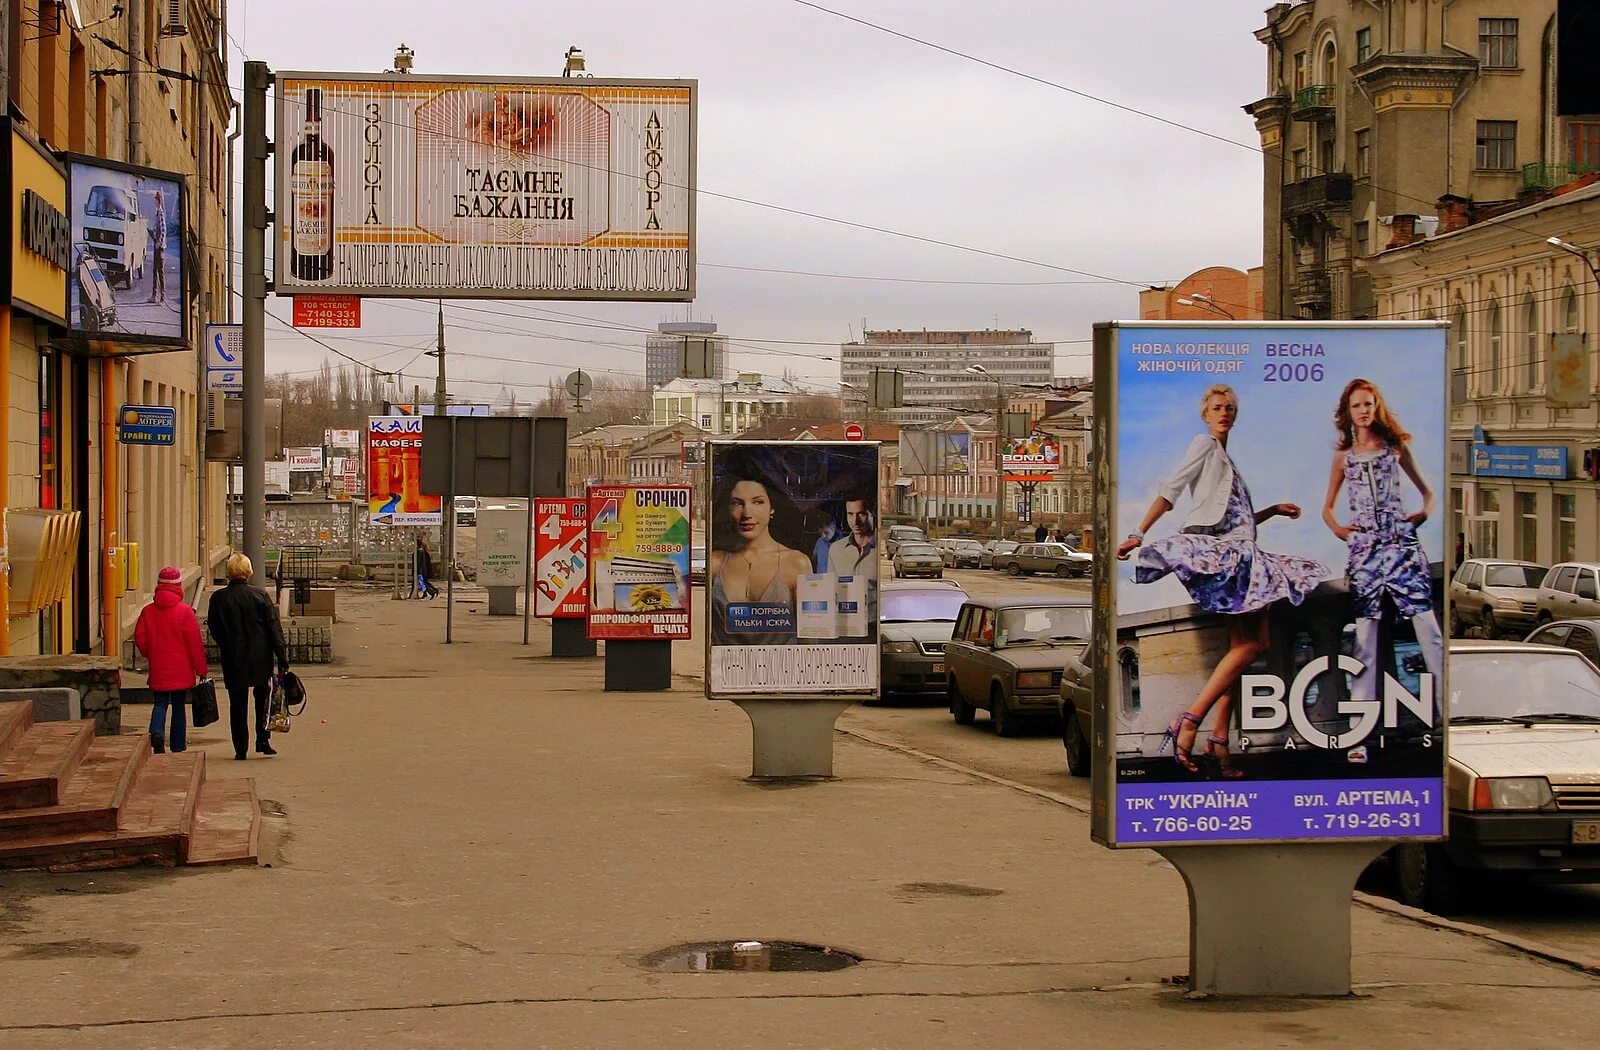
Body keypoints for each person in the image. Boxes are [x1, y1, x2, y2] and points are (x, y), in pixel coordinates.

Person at [1116, 384, 1327, 777]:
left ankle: (1218, 745)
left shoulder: (1224, 458)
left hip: (1239, 552)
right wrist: (1139, 533)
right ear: (1205, 414)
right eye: (1217, 407)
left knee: (1239, 648)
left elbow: (1235, 521)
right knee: (1256, 643)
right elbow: (1171, 488)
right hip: (1232, 558)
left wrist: (1271, 511)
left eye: (1229, 407)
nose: (1224, 412)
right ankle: (1191, 719)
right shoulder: (1204, 444)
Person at [1322, 378, 1443, 712]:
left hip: (1402, 547)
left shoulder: (1395, 447)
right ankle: (1359, 729)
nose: (1363, 410)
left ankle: (1446, 713)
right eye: (1357, 405)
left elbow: (1428, 492)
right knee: (1365, 639)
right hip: (1365, 554)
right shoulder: (1344, 458)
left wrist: (1418, 518)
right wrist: (1344, 533)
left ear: (1377, 407)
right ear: (1347, 412)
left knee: (1429, 630)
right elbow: (1327, 509)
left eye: (1368, 404)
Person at [708, 475, 812, 646]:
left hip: (783, 669)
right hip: (728, 669)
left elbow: (809, 640)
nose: (747, 513)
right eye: (737, 503)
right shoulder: (716, 562)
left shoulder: (797, 563)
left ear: (772, 508)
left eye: (758, 502)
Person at [206, 553, 289, 760]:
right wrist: (282, 659)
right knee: (263, 699)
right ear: (248, 571)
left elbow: (214, 629)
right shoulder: (260, 596)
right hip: (260, 657)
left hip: (233, 657)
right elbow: (274, 629)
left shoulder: (218, 598)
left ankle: (240, 748)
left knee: (237, 704)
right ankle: (263, 740)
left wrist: (226, 643)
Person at [133, 566, 207, 755]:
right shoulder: (185, 612)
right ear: (179, 586)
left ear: (159, 586)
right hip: (181, 670)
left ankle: (156, 732)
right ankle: (177, 744)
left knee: (160, 703)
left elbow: (140, 638)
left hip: (159, 667)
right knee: (179, 706)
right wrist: (201, 670)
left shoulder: (147, 611)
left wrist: (152, 653)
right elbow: (194, 644)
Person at [826, 493, 876, 579]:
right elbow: (831, 588)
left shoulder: (879, 549)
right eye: (850, 514)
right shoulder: (836, 549)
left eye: (861, 514)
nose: (855, 521)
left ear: (872, 514)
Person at [147, 188, 166, 304]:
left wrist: (159, 242)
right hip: (156, 246)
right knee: (156, 271)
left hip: (159, 248)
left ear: (158, 201)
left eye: (155, 201)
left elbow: (163, 230)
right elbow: (156, 230)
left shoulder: (161, 213)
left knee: (160, 272)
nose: (154, 203)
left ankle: (162, 297)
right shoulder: (157, 213)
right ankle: (154, 296)